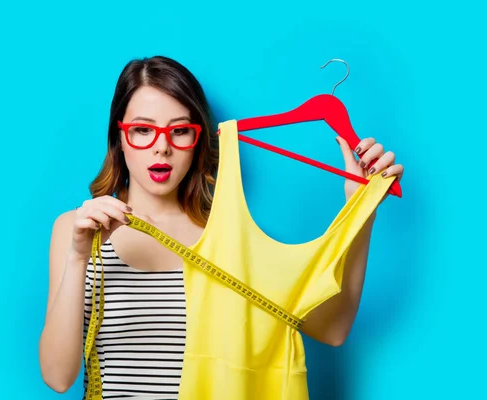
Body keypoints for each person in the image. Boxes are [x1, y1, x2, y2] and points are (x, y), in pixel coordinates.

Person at [38, 55, 405, 398]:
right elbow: (58, 376)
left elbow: (332, 328)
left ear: (198, 141)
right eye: (142, 130)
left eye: (180, 131)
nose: (161, 148)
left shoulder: (230, 237)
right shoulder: (78, 230)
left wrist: (361, 209)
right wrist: (78, 255)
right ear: (119, 138)